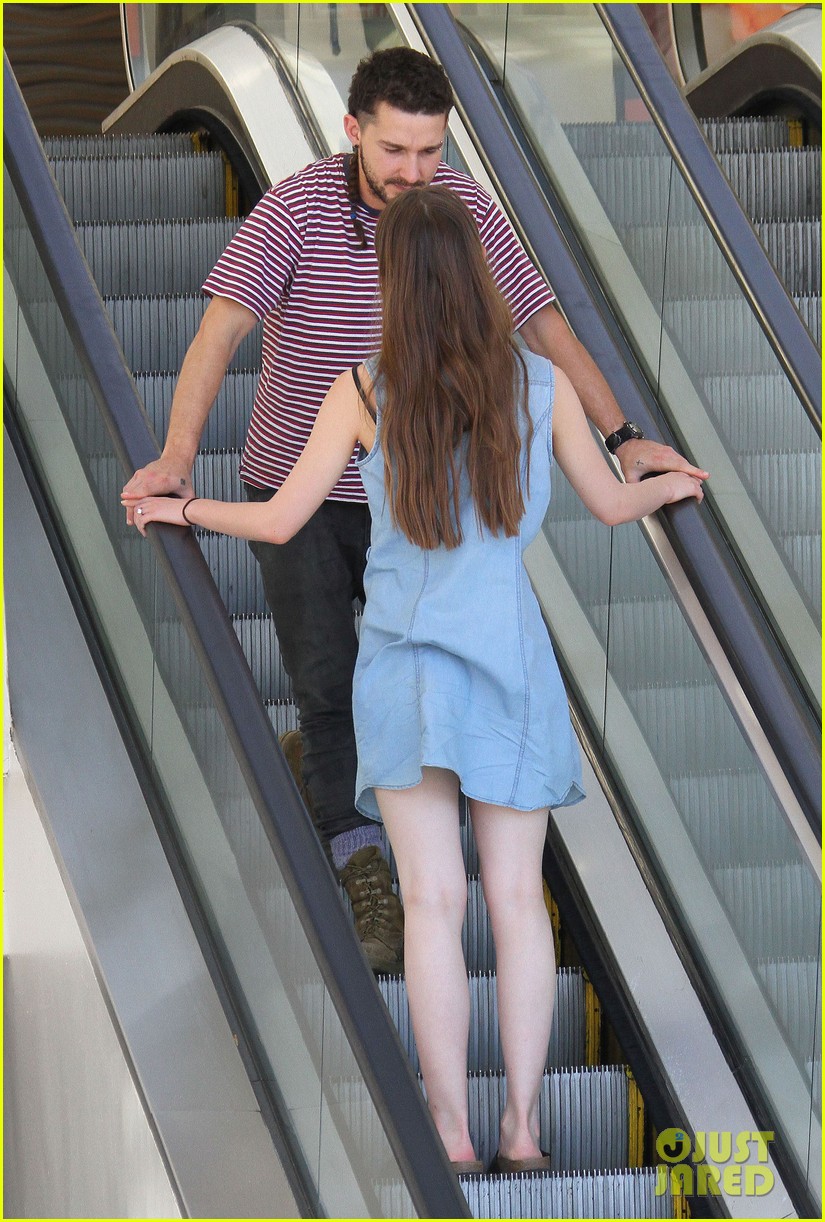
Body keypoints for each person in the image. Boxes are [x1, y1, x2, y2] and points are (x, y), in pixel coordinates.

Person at [125, 186, 706, 1173]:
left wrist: (181, 510)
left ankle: (449, 1132)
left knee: (433, 902)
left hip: (405, 674)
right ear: (479, 276)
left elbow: (279, 520)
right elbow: (614, 505)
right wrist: (675, 482)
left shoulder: (362, 389)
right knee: (515, 899)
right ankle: (523, 1128)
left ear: (392, 281)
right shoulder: (538, 385)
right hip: (508, 668)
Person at [121, 47, 707, 975]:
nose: (414, 171)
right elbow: (221, 329)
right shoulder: (298, 208)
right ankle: (362, 865)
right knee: (326, 678)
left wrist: (622, 434)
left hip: (420, 500)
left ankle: (342, 774)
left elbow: (541, 324)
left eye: (431, 150)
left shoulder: (458, 209)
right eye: (395, 150)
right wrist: (178, 460)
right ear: (352, 130)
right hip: (301, 488)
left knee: (407, 678)